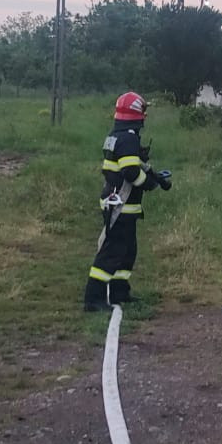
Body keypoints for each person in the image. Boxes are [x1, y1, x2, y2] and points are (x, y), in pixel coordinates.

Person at [84, 91, 172, 311]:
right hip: (120, 205)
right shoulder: (128, 138)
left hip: (123, 206)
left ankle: (119, 292)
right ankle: (93, 300)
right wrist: (149, 184)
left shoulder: (119, 135)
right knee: (111, 252)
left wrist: (153, 175)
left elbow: (132, 166)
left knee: (127, 251)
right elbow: (131, 173)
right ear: (137, 114)